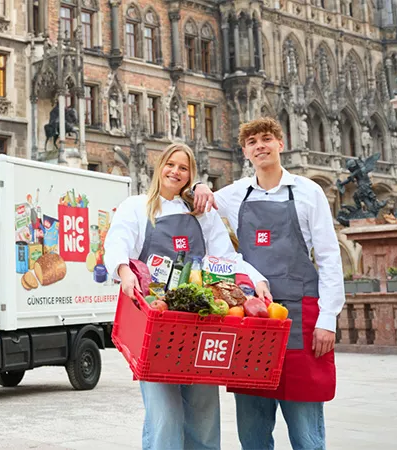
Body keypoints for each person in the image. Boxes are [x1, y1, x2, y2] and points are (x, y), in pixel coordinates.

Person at [104, 143, 271, 450]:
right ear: (159, 168)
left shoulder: (200, 213)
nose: (175, 172)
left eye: (183, 168)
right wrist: (123, 270)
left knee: (204, 415)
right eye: (171, 165)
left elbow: (227, 257)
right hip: (157, 323)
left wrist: (257, 280)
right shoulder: (138, 207)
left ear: (190, 175)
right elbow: (117, 244)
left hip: (201, 322)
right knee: (164, 416)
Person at [192, 117, 344, 450]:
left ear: (280, 143)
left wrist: (328, 319)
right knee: (253, 425)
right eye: (252, 142)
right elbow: (202, 204)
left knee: (305, 428)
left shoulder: (308, 191)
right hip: (252, 319)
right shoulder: (236, 193)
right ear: (245, 151)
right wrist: (200, 186)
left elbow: (331, 258)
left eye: (266, 139)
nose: (260, 146)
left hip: (301, 317)